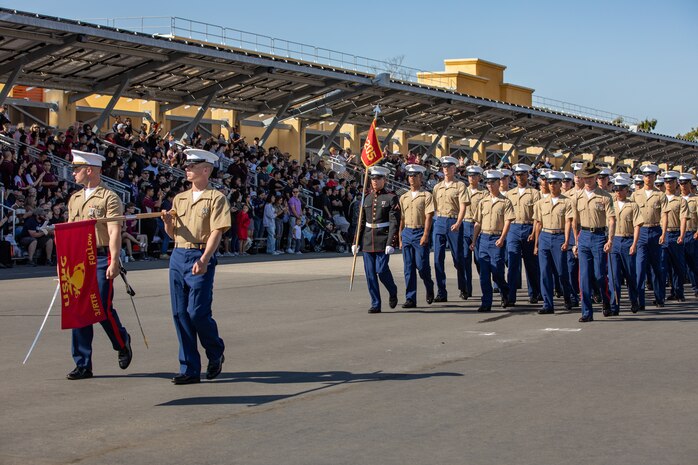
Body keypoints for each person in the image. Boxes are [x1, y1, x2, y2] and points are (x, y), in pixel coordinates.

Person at [161, 149, 229, 385]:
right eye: (187, 166)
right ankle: (189, 367)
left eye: (193, 166)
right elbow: (172, 234)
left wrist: (205, 259)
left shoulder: (216, 198)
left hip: (200, 253)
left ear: (206, 170)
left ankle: (215, 350)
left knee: (197, 312)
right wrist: (168, 224)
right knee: (180, 313)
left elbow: (216, 231)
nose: (187, 169)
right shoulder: (179, 199)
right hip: (179, 254)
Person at [65, 150, 132, 380]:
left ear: (90, 170)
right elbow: (70, 233)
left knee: (102, 308)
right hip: (78, 259)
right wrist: (63, 263)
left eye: (77, 169)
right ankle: (83, 363)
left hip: (101, 257)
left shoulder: (109, 197)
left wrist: (114, 259)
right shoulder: (74, 199)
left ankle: (122, 342)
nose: (73, 173)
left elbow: (114, 231)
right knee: (79, 310)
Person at [352, 166, 399, 313]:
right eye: (373, 179)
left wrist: (391, 242)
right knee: (370, 274)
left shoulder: (391, 197)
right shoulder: (367, 197)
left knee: (381, 269)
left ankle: (392, 290)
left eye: (378, 179)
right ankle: (375, 303)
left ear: (384, 180)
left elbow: (394, 222)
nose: (375, 181)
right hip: (367, 239)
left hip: (383, 238)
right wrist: (356, 241)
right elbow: (361, 221)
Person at [572, 162, 616, 322]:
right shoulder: (577, 197)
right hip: (583, 236)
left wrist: (610, 239)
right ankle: (586, 312)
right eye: (585, 177)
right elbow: (574, 221)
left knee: (599, 275)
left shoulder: (605, 196)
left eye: (591, 177)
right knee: (583, 277)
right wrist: (576, 242)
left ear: (596, 177)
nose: (588, 180)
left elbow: (611, 220)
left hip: (598, 236)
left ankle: (606, 300)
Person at [471, 170, 514, 312]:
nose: (489, 185)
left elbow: (507, 222)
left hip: (496, 239)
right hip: (483, 238)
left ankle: (505, 290)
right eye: (487, 183)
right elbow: (477, 222)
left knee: (497, 273)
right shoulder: (483, 202)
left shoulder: (505, 202)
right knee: (484, 273)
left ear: (498, 183)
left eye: (492, 182)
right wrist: (474, 240)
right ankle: (486, 302)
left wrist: (502, 238)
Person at [533, 171, 575, 314]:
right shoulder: (540, 203)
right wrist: (536, 244)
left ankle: (568, 296)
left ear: (560, 184)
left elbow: (569, 222)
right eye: (550, 183)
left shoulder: (567, 202)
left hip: (559, 236)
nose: (552, 185)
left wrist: (567, 240)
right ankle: (547, 304)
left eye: (555, 183)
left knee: (562, 272)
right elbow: (538, 223)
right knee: (545, 272)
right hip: (545, 235)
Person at [432, 156, 469, 302]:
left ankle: (463, 286)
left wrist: (459, 222)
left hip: (454, 221)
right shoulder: (437, 187)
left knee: (458, 258)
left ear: (454, 168)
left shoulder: (460, 186)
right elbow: (434, 207)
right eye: (444, 167)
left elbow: (463, 206)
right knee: (437, 258)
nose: (446, 169)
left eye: (449, 166)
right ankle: (441, 291)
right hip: (440, 221)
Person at [398, 164, 435, 308]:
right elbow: (401, 219)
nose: (412, 178)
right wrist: (400, 237)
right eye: (410, 176)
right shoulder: (404, 197)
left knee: (422, 266)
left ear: (420, 177)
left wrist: (426, 234)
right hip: (407, 232)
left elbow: (429, 217)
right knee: (408, 267)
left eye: (414, 175)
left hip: (420, 232)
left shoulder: (426, 195)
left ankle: (429, 285)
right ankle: (410, 298)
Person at [632, 164, 667, 310]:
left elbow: (664, 215)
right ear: (643, 177)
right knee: (640, 269)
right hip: (641, 232)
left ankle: (660, 298)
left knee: (657, 268)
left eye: (651, 175)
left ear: (654, 177)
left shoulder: (660, 195)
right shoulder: (635, 194)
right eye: (646, 175)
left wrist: (664, 233)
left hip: (655, 231)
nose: (648, 178)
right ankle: (640, 301)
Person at [506, 163, 541, 305]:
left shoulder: (534, 193)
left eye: (522, 174)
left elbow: (537, 217)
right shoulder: (510, 194)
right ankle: (511, 295)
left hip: (528, 228)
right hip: (513, 229)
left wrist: (534, 233)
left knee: (531, 264)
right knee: (513, 263)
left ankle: (534, 293)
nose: (520, 177)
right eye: (517, 174)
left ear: (528, 175)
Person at [608, 176, 642, 315]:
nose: (618, 192)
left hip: (628, 240)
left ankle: (634, 300)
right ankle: (614, 305)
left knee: (630, 275)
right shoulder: (610, 205)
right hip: (614, 240)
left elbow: (637, 226)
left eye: (621, 189)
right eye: (616, 189)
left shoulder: (633, 205)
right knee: (614, 276)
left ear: (627, 190)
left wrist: (634, 243)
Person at [660, 171, 689, 303]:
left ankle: (678, 292)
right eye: (666, 181)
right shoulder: (660, 198)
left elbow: (683, 219)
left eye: (671, 181)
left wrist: (682, 235)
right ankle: (661, 294)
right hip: (662, 234)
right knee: (662, 266)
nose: (668, 184)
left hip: (675, 233)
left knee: (677, 266)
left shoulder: (681, 201)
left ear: (675, 183)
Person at [462, 165, 485, 300]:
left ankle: (485, 287)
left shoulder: (484, 193)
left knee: (479, 260)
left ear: (479, 177)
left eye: (474, 176)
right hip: (465, 224)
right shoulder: (463, 191)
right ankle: (466, 289)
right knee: (465, 259)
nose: (471, 178)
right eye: (470, 176)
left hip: (478, 226)